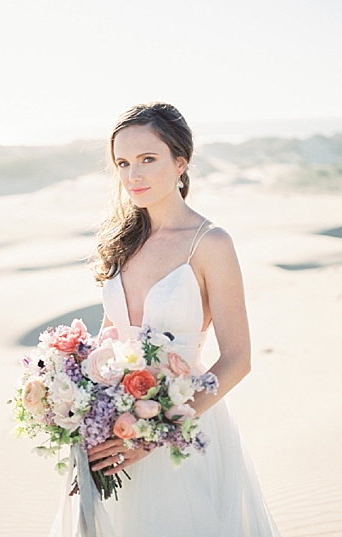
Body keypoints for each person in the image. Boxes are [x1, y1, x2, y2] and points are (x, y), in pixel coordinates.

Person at [50, 102, 279, 536]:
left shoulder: (210, 243)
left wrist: (155, 434)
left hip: (182, 431)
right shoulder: (123, 240)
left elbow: (238, 359)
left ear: (180, 162)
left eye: (147, 159)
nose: (132, 175)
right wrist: (80, 405)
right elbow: (111, 336)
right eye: (122, 163)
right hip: (114, 434)